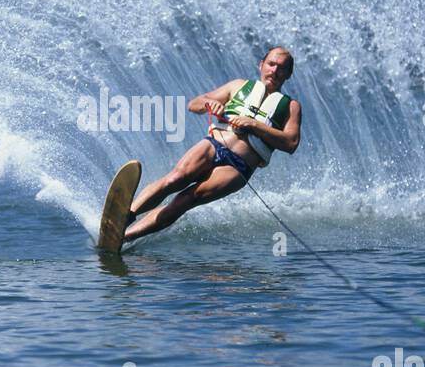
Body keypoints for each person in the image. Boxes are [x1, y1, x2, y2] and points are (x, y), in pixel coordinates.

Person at [123, 47, 302, 242]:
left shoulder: (291, 106)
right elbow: (194, 104)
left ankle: (124, 237)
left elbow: (291, 143)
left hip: (239, 166)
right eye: (271, 64)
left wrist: (255, 125)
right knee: (175, 179)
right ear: (261, 65)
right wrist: (210, 104)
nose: (275, 71)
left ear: (289, 74)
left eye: (282, 68)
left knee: (188, 199)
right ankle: (125, 216)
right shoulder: (238, 86)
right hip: (213, 145)